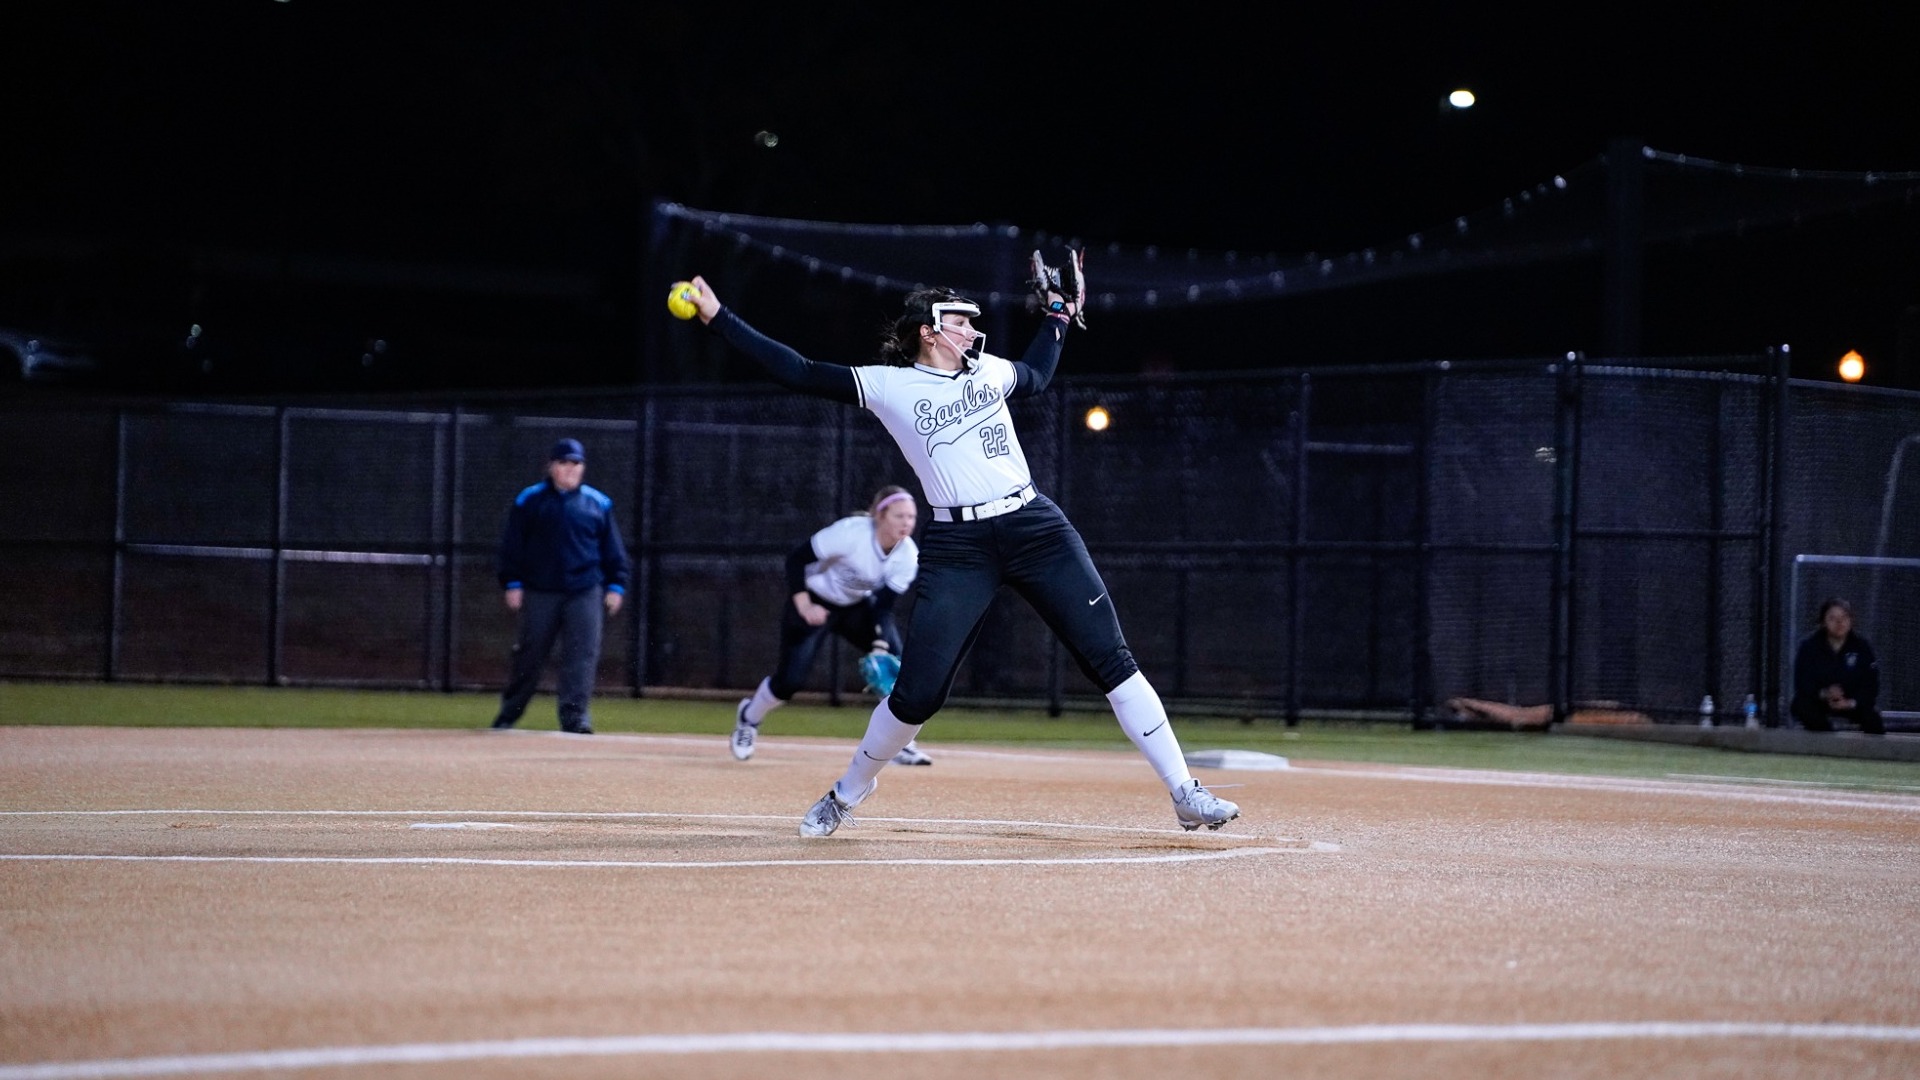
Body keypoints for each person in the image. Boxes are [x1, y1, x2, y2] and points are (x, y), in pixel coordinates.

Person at [679, 260, 1241, 837]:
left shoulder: (989, 371)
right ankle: (847, 792)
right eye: (961, 321)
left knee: (1113, 660)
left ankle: (1184, 792)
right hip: (959, 544)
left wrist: (1057, 316)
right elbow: (798, 371)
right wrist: (719, 317)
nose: (973, 330)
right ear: (928, 330)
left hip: (1034, 525)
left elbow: (1038, 375)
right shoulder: (891, 385)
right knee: (915, 696)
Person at [731, 485, 932, 767]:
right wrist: (804, 605)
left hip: (856, 607)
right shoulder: (851, 533)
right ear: (880, 515)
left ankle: (899, 743)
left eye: (911, 517)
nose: (907, 523)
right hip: (815, 600)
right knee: (789, 682)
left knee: (896, 668)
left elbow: (883, 605)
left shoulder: (907, 555)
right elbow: (796, 560)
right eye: (899, 516)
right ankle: (748, 718)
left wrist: (879, 644)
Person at [490, 438, 631, 734]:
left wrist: (616, 586)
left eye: (576, 463)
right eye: (564, 463)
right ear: (552, 466)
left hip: (584, 590)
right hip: (541, 589)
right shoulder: (529, 500)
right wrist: (512, 582)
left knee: (582, 655)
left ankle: (575, 719)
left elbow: (613, 551)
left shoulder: (598, 503)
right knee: (530, 655)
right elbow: (512, 546)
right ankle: (508, 715)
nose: (570, 469)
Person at [1790, 597, 1884, 735]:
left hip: (1851, 702)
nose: (1839, 623)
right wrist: (1825, 693)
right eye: (1833, 618)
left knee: (1873, 719)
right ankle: (1828, 744)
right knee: (1801, 706)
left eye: (1844, 617)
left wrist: (1850, 702)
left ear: (1851, 620)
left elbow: (1871, 685)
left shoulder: (1862, 647)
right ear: (1823, 622)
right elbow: (1803, 683)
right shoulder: (1809, 647)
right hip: (1819, 702)